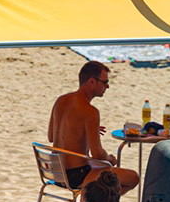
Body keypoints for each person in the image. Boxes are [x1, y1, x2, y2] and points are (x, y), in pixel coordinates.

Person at [48, 61, 139, 194]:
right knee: (133, 178)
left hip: (56, 173)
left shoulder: (61, 100)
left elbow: (51, 137)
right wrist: (110, 159)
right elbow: (97, 154)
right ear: (92, 82)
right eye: (105, 82)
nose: (107, 86)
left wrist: (81, 131)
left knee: (100, 169)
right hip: (76, 176)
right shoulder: (90, 111)